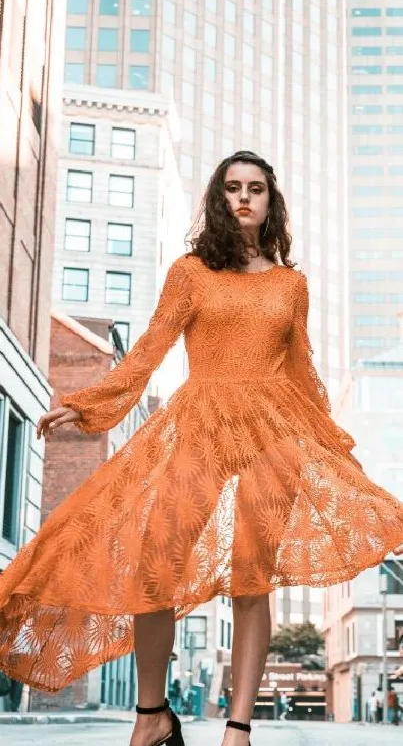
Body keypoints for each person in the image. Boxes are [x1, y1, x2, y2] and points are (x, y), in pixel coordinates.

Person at [1, 150, 403, 746]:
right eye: (233, 187)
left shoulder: (292, 285)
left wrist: (329, 443)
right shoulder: (191, 272)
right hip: (201, 424)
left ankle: (237, 729)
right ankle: (152, 713)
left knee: (251, 580)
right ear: (219, 199)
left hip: (275, 435)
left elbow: (301, 369)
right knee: (155, 563)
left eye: (256, 188)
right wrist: (90, 402)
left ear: (272, 201)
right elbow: (149, 349)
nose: (244, 197)